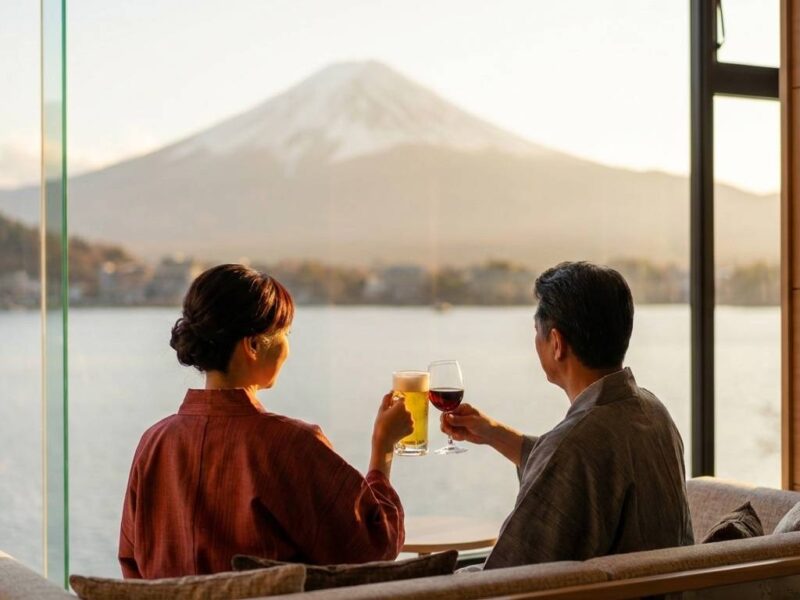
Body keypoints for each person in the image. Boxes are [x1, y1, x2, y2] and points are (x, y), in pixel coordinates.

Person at [118, 264, 413, 579]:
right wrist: (383, 448)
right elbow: (373, 549)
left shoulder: (154, 443)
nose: (287, 346)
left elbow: (131, 562)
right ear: (254, 345)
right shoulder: (290, 445)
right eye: (285, 333)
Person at [441, 261, 694, 568]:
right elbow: (587, 465)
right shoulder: (654, 413)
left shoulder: (576, 445)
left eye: (538, 332)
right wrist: (494, 433)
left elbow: (510, 576)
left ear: (557, 343)